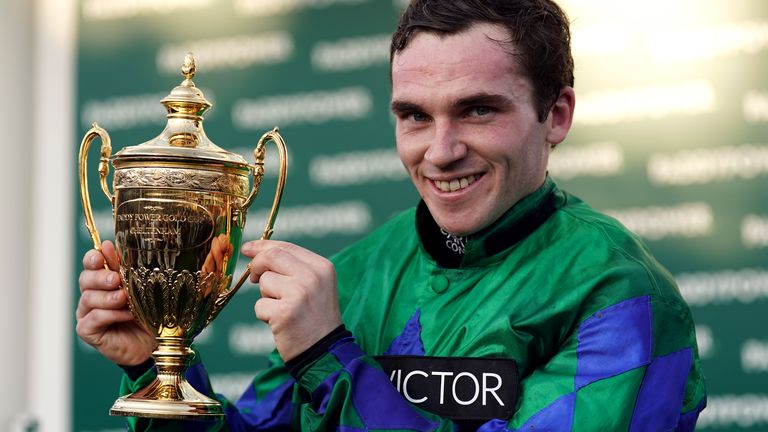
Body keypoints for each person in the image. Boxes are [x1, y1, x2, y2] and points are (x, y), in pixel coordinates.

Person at [76, 0, 707, 430]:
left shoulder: (624, 297)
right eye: (414, 116)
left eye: (479, 110)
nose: (441, 150)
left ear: (558, 115)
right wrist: (156, 365)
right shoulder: (356, 273)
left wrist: (330, 357)